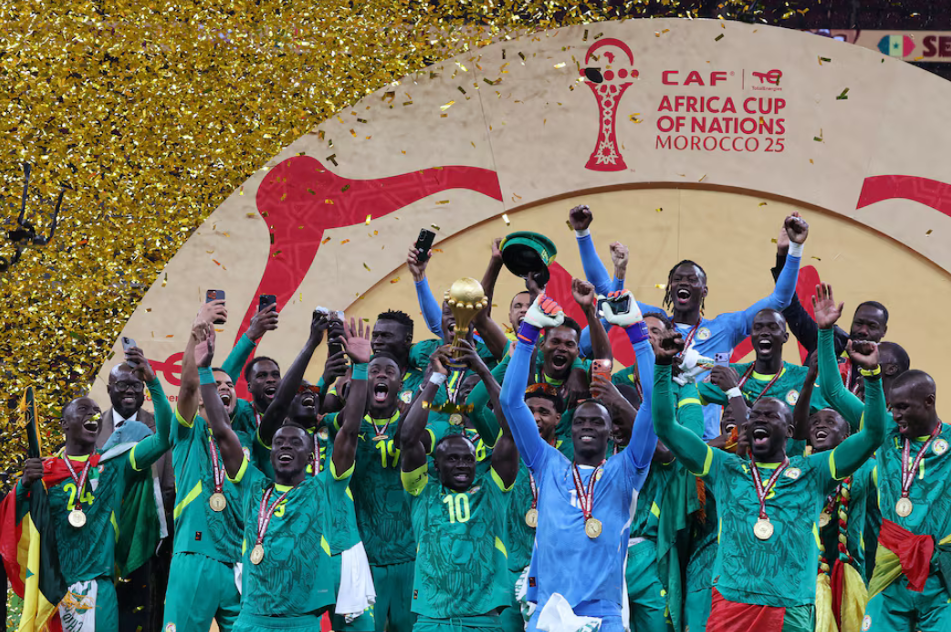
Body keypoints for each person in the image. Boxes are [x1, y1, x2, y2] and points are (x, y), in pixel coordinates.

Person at [651, 327, 886, 632]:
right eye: (755, 416)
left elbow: (873, 434)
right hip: (731, 602)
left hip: (790, 606)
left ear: (790, 433)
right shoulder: (723, 467)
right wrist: (660, 368)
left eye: (771, 416)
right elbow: (666, 426)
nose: (759, 419)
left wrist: (873, 376)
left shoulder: (814, 471)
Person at [570, 203, 809, 438]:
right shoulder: (655, 322)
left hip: (704, 443)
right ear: (670, 288)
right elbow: (606, 290)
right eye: (677, 279)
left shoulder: (726, 328)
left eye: (692, 280)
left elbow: (780, 299)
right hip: (653, 441)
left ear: (704, 290)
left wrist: (794, 249)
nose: (683, 283)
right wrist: (582, 233)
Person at [499, 289, 657, 632]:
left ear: (610, 433)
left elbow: (653, 411)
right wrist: (527, 333)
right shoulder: (546, 464)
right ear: (571, 432)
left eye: (597, 421)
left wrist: (636, 332)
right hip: (550, 610)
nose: (587, 426)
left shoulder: (626, 471)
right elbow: (511, 402)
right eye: (581, 421)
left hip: (605, 614)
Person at [189, 321, 362, 631]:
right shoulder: (252, 484)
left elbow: (349, 429)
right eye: (279, 442)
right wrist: (203, 371)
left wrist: (361, 368)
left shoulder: (324, 488)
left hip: (301, 623)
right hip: (252, 621)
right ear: (269, 454)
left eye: (295, 442)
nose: (285, 445)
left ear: (310, 457)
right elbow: (222, 430)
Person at [14, 347, 173, 631]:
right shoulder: (45, 471)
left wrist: (153, 383)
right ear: (64, 424)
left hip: (100, 589)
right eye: (83, 409)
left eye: (97, 410)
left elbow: (164, 438)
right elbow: (17, 522)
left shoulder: (116, 462)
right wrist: (23, 486)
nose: (94, 414)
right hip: (53, 588)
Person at [161, 301, 274, 632]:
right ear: (202, 398)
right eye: (217, 385)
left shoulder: (245, 440)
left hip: (241, 562)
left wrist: (253, 335)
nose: (225, 388)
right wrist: (199, 331)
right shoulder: (186, 433)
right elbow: (189, 384)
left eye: (231, 387)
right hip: (195, 555)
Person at [399, 343, 519, 632]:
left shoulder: (493, 491)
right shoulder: (421, 491)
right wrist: (434, 380)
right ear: (435, 466)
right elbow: (407, 438)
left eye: (468, 458)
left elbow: (512, 434)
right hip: (432, 622)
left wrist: (483, 371)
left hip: (483, 622)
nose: (463, 464)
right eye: (452, 459)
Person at [323, 321, 429, 632]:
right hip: (361, 555)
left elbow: (413, 438)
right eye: (374, 370)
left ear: (400, 386)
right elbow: (350, 421)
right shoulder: (343, 423)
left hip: (408, 555)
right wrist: (358, 366)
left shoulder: (413, 424)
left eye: (389, 372)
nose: (381, 374)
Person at [100, 358, 175, 632]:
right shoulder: (91, 428)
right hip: (103, 545)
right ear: (109, 389)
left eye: (136, 385)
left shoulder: (160, 427)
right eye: (122, 384)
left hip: (147, 541)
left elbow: (169, 486)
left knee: (143, 616)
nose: (130, 390)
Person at [770, 230, 889, 391]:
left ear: (884, 331)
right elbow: (792, 309)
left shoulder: (889, 363)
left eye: (872, 326)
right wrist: (784, 255)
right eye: (858, 323)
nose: (863, 331)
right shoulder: (830, 342)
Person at [697, 308, 829, 422]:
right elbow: (687, 396)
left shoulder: (804, 377)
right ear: (751, 335)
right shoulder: (732, 374)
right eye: (758, 328)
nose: (764, 332)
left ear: (785, 337)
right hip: (741, 451)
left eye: (773, 327)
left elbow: (832, 421)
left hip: (788, 452)